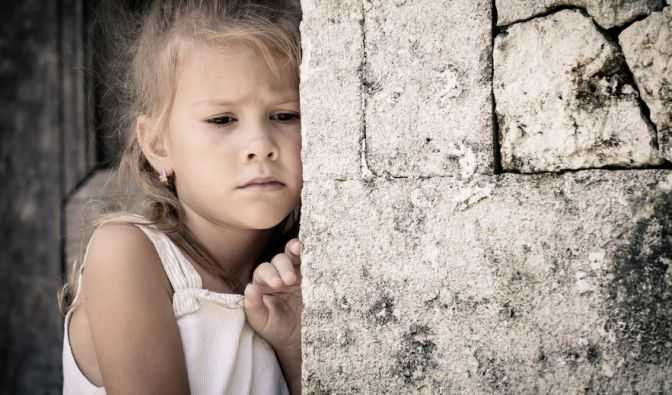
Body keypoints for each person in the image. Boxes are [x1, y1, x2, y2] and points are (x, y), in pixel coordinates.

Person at [57, 1, 304, 393]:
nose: (261, 145)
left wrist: (293, 348)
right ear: (157, 144)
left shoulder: (291, 279)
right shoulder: (128, 255)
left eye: (286, 115)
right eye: (222, 120)